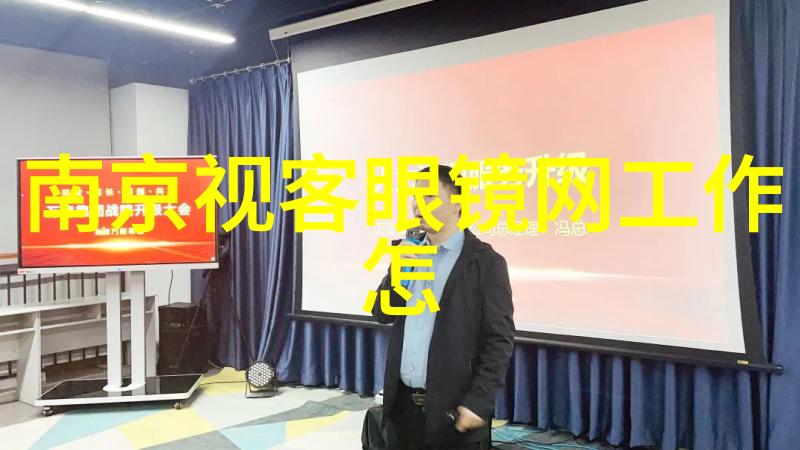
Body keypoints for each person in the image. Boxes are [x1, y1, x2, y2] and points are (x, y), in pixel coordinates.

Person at [372, 165, 515, 450]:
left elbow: (499, 340)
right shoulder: (407, 251)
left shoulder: (485, 262)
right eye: (415, 197)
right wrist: (397, 273)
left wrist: (478, 401)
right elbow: (382, 313)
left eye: (428, 196)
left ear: (456, 203)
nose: (418, 205)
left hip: (453, 412)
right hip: (402, 408)